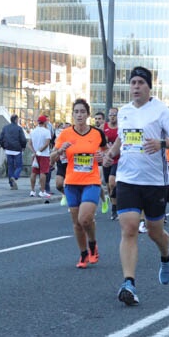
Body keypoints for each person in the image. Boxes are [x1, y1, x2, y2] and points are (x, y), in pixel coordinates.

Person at [102, 66, 169, 306]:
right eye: (133, 83)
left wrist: (161, 143)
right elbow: (123, 136)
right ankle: (129, 282)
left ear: (149, 87)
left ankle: (166, 255)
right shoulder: (125, 112)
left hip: (154, 182)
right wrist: (111, 153)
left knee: (154, 231)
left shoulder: (160, 111)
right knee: (128, 228)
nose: (136, 87)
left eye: (140, 82)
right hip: (127, 178)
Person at [52, 99, 107, 268]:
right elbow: (51, 157)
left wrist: (102, 157)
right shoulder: (65, 134)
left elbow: (106, 153)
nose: (79, 115)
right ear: (73, 114)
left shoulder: (97, 134)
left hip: (91, 181)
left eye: (83, 111)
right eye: (76, 111)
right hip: (72, 182)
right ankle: (83, 254)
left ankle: (92, 244)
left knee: (85, 219)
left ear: (88, 114)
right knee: (76, 222)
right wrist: (60, 150)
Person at [0, 114, 27, 190]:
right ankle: (14, 177)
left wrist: (4, 146)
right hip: (17, 150)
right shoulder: (19, 128)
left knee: (10, 167)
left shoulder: (5, 128)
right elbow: (23, 139)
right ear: (16, 120)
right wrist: (23, 147)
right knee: (19, 166)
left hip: (8, 150)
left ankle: (12, 184)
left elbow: (0, 138)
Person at [29, 115, 53, 200]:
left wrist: (34, 152)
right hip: (44, 155)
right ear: (45, 122)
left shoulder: (33, 131)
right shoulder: (46, 131)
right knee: (43, 172)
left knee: (34, 172)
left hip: (35, 155)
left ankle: (32, 190)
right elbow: (47, 144)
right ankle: (42, 191)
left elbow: (30, 143)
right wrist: (40, 151)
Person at [102, 107, 119, 219]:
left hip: (118, 158)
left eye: (115, 115)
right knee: (108, 184)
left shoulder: (122, 127)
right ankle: (114, 205)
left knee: (112, 182)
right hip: (107, 158)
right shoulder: (104, 127)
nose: (112, 117)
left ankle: (115, 208)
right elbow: (99, 141)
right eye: (111, 115)